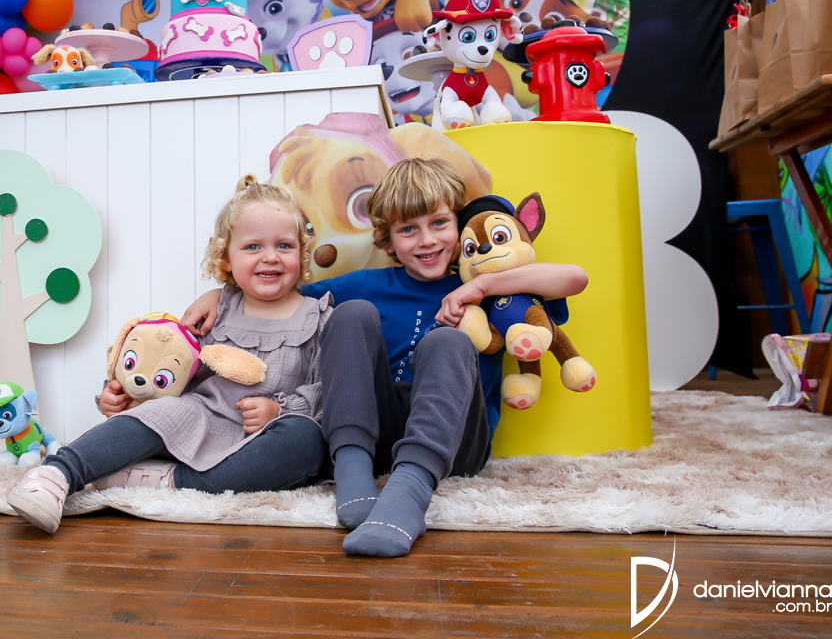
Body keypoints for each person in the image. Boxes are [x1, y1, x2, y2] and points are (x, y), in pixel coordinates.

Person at [183, 158, 587, 557]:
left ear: (459, 226)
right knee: (351, 314)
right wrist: (220, 293)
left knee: (447, 342)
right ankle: (352, 470)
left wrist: (481, 287)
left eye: (439, 223)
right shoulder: (367, 284)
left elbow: (574, 278)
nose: (426, 240)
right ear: (388, 241)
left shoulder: (487, 288)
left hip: (456, 442)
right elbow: (277, 291)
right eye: (408, 229)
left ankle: (410, 491)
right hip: (374, 433)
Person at [6, 175, 330, 534]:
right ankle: (57, 474)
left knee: (306, 442)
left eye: (284, 245)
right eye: (253, 247)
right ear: (226, 258)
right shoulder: (216, 312)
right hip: (199, 417)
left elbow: (324, 391)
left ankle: (167, 480)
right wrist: (125, 395)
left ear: (301, 252)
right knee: (161, 414)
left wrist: (279, 410)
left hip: (263, 438)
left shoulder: (318, 317)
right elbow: (172, 366)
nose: (270, 256)